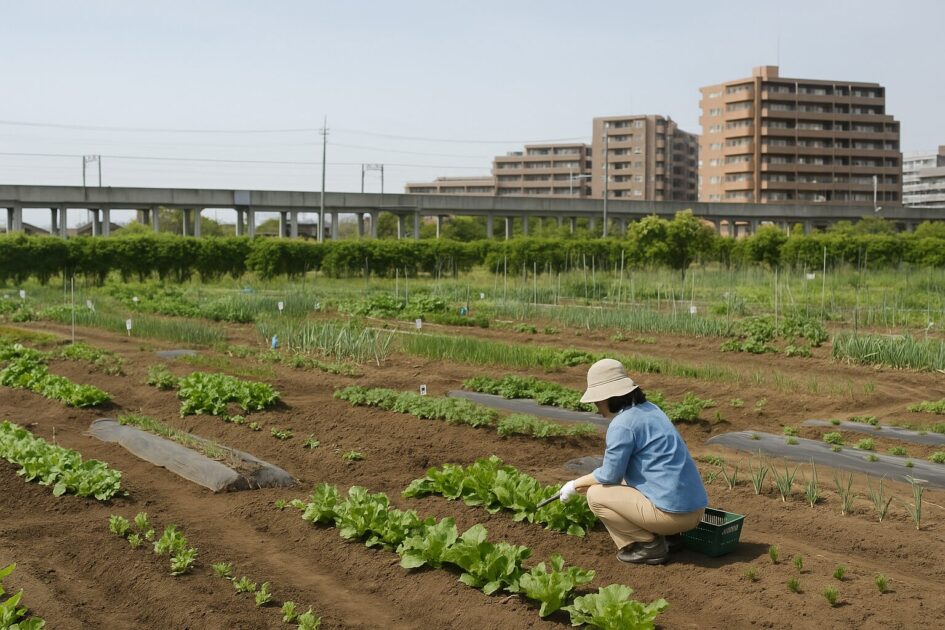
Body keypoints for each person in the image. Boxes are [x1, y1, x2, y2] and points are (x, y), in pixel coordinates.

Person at [558, 358, 707, 565]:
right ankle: (671, 538)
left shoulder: (623, 424)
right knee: (627, 482)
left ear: (609, 397)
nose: (596, 406)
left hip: (672, 516)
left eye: (597, 400)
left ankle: (649, 545)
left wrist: (575, 485)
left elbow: (610, 475)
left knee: (596, 495)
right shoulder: (651, 409)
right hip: (696, 511)